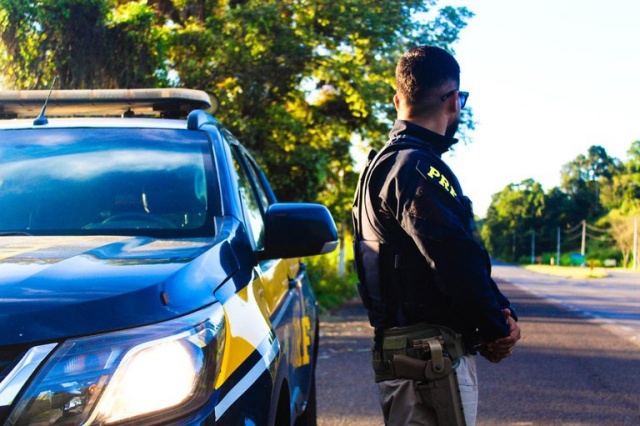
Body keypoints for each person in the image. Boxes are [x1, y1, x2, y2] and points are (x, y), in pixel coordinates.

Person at [352, 45, 521, 426]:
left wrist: (498, 311)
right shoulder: (418, 168)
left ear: (398, 101)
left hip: (407, 356)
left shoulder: (382, 166)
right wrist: (496, 328)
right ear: (454, 101)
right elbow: (453, 260)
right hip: (429, 361)